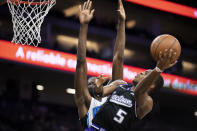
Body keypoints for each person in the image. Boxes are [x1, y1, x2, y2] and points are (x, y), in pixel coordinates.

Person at [86, 49, 178, 131]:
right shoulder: (121, 85)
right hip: (93, 127)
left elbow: (139, 91)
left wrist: (159, 68)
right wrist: (97, 86)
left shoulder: (147, 102)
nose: (141, 72)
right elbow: (98, 94)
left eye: (146, 74)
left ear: (152, 84)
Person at [74, 0, 127, 129]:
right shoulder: (84, 102)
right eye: (90, 82)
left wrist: (121, 24)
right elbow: (81, 63)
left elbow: (118, 59)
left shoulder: (113, 99)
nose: (93, 81)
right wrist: (83, 26)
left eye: (95, 81)